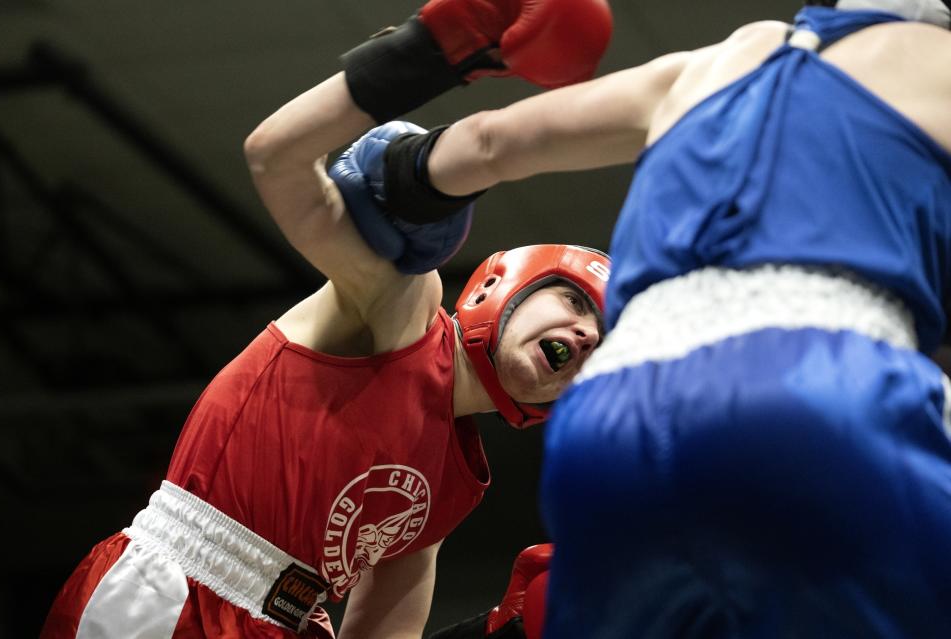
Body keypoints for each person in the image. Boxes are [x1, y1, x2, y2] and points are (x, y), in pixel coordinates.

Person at [39, 0, 614, 636]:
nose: (588, 333)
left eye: (604, 341)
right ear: (506, 284)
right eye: (576, 301)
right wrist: (433, 50)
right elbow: (276, 157)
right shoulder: (401, 307)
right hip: (171, 592)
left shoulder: (458, 487)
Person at [386, 0, 951, 636]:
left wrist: (407, 80)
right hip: (817, 381)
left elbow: (481, 142)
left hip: (614, 412)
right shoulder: (936, 67)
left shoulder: (715, 61)